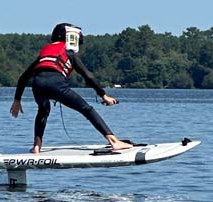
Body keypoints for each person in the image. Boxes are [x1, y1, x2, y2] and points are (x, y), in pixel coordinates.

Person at [10, 23, 132, 154]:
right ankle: (114, 142)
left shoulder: (44, 53)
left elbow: (23, 77)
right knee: (87, 109)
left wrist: (17, 100)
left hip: (37, 84)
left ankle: (36, 146)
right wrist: (103, 95)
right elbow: (88, 76)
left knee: (43, 111)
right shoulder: (69, 53)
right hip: (56, 84)